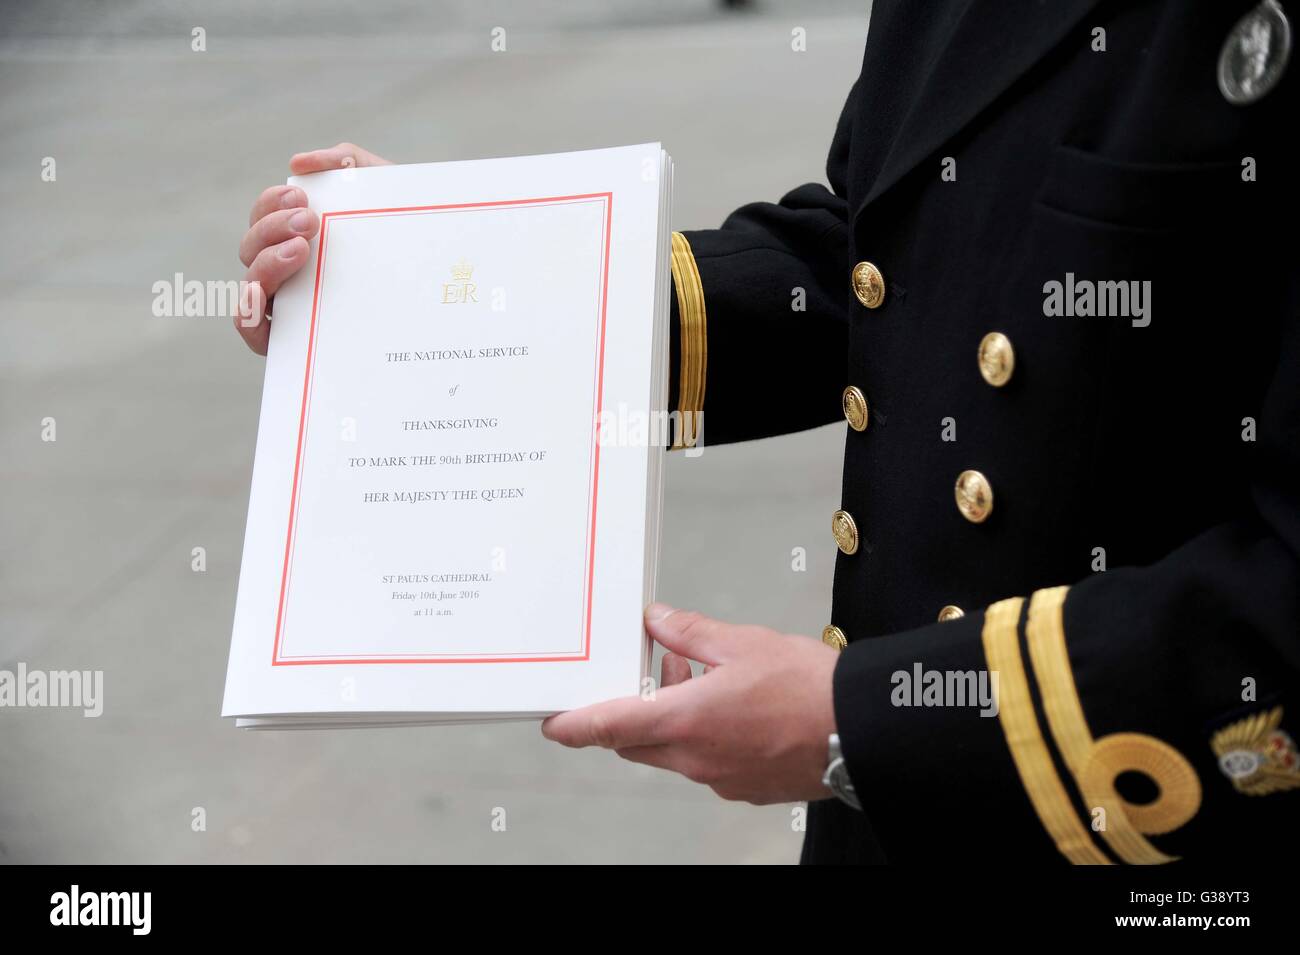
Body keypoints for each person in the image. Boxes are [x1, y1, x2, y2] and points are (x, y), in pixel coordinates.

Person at [234, 0, 1299, 864]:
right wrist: (465, 280)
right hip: (887, 825)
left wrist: (864, 724)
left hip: (1138, 817)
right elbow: (884, 255)